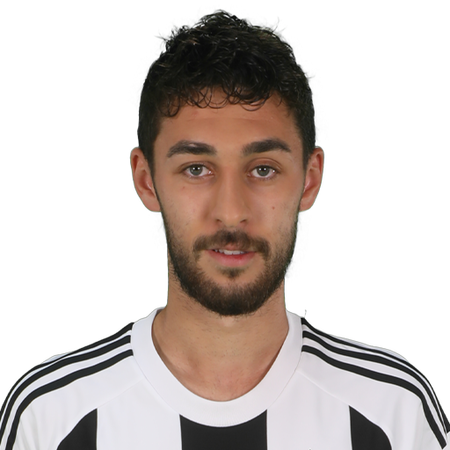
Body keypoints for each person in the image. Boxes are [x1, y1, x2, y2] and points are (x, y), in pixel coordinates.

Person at [1, 9, 449, 450]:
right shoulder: (51, 417)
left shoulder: (394, 413)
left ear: (310, 179)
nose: (231, 213)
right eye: (196, 169)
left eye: (263, 169)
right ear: (146, 179)